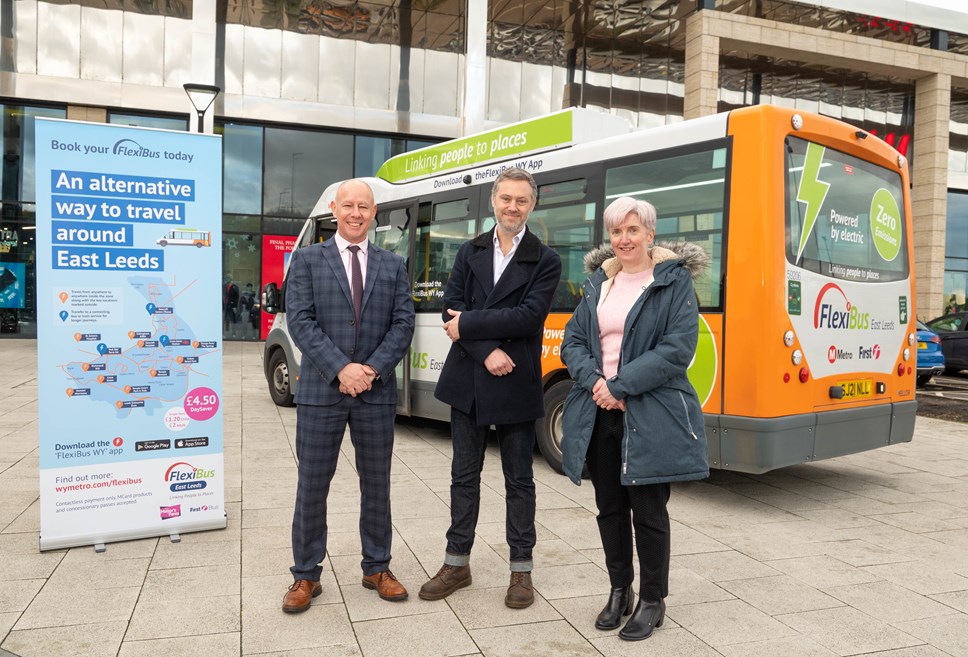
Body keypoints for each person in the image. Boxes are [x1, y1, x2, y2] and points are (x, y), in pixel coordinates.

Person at [560, 197, 709, 641]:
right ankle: (619, 590)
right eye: (616, 232)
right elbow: (573, 342)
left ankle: (652, 599)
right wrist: (596, 384)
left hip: (649, 411)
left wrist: (620, 385)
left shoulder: (673, 282)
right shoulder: (597, 284)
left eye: (632, 230)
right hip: (599, 410)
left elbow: (677, 348)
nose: (623, 240)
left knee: (648, 512)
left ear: (650, 234)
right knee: (609, 509)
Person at [419, 167, 562, 609]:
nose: (512, 207)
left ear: (532, 205)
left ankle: (521, 571)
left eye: (521, 200)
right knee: (463, 477)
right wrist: (485, 351)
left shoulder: (545, 258)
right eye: (505, 199)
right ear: (493, 202)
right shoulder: (470, 250)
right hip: (471, 381)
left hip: (515, 381)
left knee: (519, 480)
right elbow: (450, 310)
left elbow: (528, 317)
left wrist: (469, 328)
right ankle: (456, 563)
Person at [281, 179, 415, 613]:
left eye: (364, 207)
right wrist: (341, 368)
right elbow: (300, 321)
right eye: (348, 206)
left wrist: (371, 370)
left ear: (374, 213)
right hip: (323, 390)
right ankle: (305, 575)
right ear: (334, 210)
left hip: (374, 393)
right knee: (311, 485)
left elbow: (403, 324)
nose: (356, 213)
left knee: (377, 484)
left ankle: (377, 566)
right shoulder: (306, 260)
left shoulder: (393, 265)